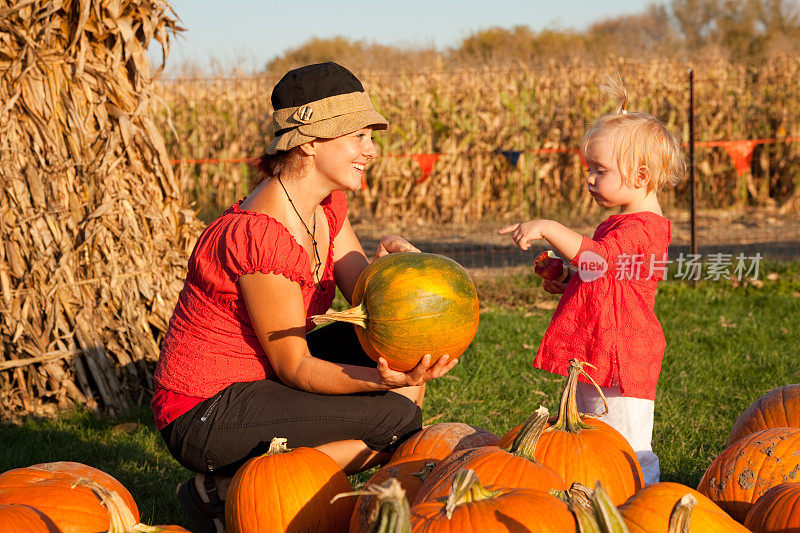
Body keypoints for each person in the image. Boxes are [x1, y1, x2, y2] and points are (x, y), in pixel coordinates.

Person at [151, 62, 458, 533]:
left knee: (401, 363)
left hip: (262, 378)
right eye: (359, 137)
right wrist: (382, 381)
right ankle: (224, 491)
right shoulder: (260, 235)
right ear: (310, 142)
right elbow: (293, 364)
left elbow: (363, 289)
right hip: (206, 408)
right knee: (396, 418)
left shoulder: (325, 205)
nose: (371, 151)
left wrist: (398, 272)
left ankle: (237, 485)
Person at [499, 74, 686, 486]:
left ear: (639, 176)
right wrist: (568, 277)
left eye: (599, 170)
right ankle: (600, 496)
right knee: (594, 439)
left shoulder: (642, 230)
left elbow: (600, 261)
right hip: (599, 352)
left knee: (627, 445)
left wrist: (550, 226)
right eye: (589, 169)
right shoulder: (620, 223)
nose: (589, 179)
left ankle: (643, 501)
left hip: (621, 358)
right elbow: (603, 277)